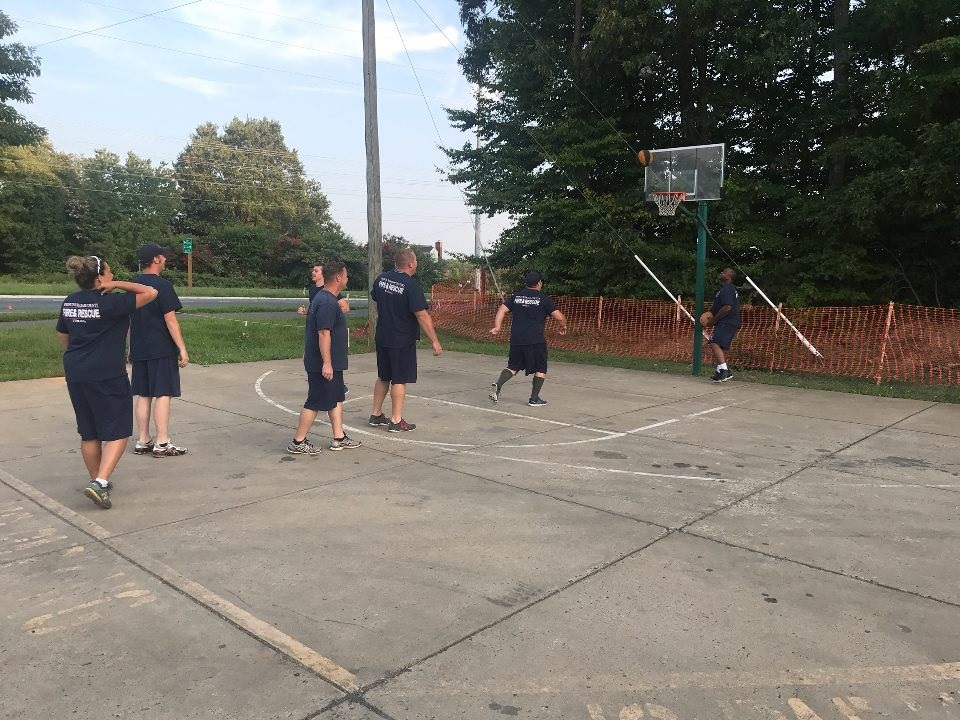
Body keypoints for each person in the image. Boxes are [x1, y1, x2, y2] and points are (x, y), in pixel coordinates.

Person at [56, 256, 158, 509]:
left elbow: (63, 334)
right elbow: (151, 292)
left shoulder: (70, 301)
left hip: (76, 370)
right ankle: (100, 482)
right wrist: (118, 285)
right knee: (118, 429)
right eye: (111, 274)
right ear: (100, 278)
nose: (113, 277)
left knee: (89, 430)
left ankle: (96, 481)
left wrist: (80, 357)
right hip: (107, 373)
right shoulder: (112, 302)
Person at [287, 259, 362, 453]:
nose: (347, 278)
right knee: (315, 400)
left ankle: (339, 437)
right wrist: (327, 363)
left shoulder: (325, 298)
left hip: (333, 361)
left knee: (336, 398)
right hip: (322, 363)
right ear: (338, 278)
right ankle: (298, 442)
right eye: (345, 275)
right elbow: (323, 333)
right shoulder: (327, 302)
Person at [368, 248, 442, 432]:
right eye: (415, 260)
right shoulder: (411, 286)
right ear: (410, 263)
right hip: (401, 339)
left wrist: (388, 317)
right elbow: (422, 315)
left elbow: (376, 303)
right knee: (399, 379)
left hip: (383, 335)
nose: (416, 263)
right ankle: (395, 420)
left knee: (384, 376)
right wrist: (434, 340)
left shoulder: (382, 279)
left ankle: (376, 414)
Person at [129, 243, 189, 457]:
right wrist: (182, 348)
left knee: (143, 394)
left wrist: (129, 346)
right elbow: (170, 319)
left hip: (139, 347)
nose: (165, 260)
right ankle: (162, 442)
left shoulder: (132, 284)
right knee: (163, 392)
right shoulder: (163, 286)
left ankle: (143, 440)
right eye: (163, 256)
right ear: (156, 259)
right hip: (161, 347)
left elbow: (129, 318)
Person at [488, 271, 568, 406]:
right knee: (540, 368)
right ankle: (534, 398)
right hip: (535, 340)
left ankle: (498, 384)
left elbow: (502, 310)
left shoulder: (516, 297)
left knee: (513, 367)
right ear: (539, 283)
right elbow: (559, 317)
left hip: (516, 339)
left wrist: (497, 327)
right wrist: (563, 326)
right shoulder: (543, 299)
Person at [298, 261, 351, 393]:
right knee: (318, 401)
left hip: (327, 341)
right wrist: (308, 312)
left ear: (324, 274)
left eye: (316, 271)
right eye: (313, 270)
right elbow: (320, 323)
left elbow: (344, 307)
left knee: (334, 399)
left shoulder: (330, 294)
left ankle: (339, 387)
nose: (313, 272)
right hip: (317, 341)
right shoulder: (315, 291)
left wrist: (330, 317)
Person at [704, 267, 741, 382]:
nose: (721, 273)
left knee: (714, 342)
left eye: (724, 272)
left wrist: (713, 320)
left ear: (729, 277)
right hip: (728, 322)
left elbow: (727, 307)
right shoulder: (727, 289)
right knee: (718, 345)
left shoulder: (727, 289)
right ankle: (720, 371)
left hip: (727, 321)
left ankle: (724, 371)